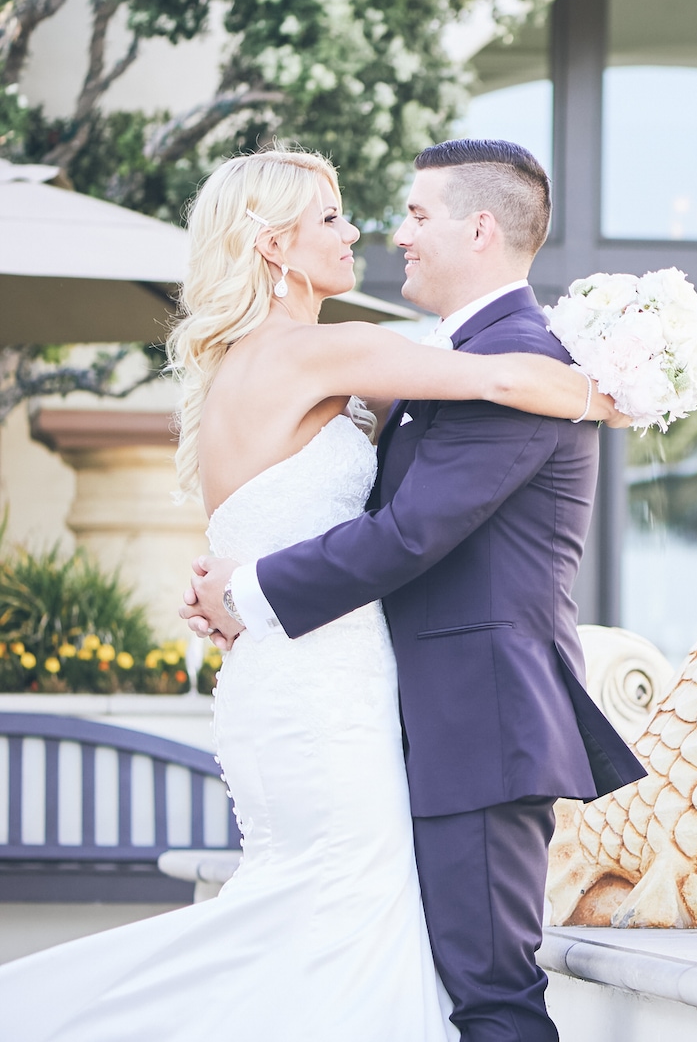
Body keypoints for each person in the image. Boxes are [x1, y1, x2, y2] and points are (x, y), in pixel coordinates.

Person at [0, 143, 641, 1041]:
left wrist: (243, 589)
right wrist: (611, 389)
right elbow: (492, 382)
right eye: (332, 219)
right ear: (272, 246)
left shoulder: (249, 365)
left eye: (394, 215)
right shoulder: (322, 352)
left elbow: (281, 515)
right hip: (327, 688)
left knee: (313, 922)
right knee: (341, 922)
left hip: (287, 677)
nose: (364, 232)